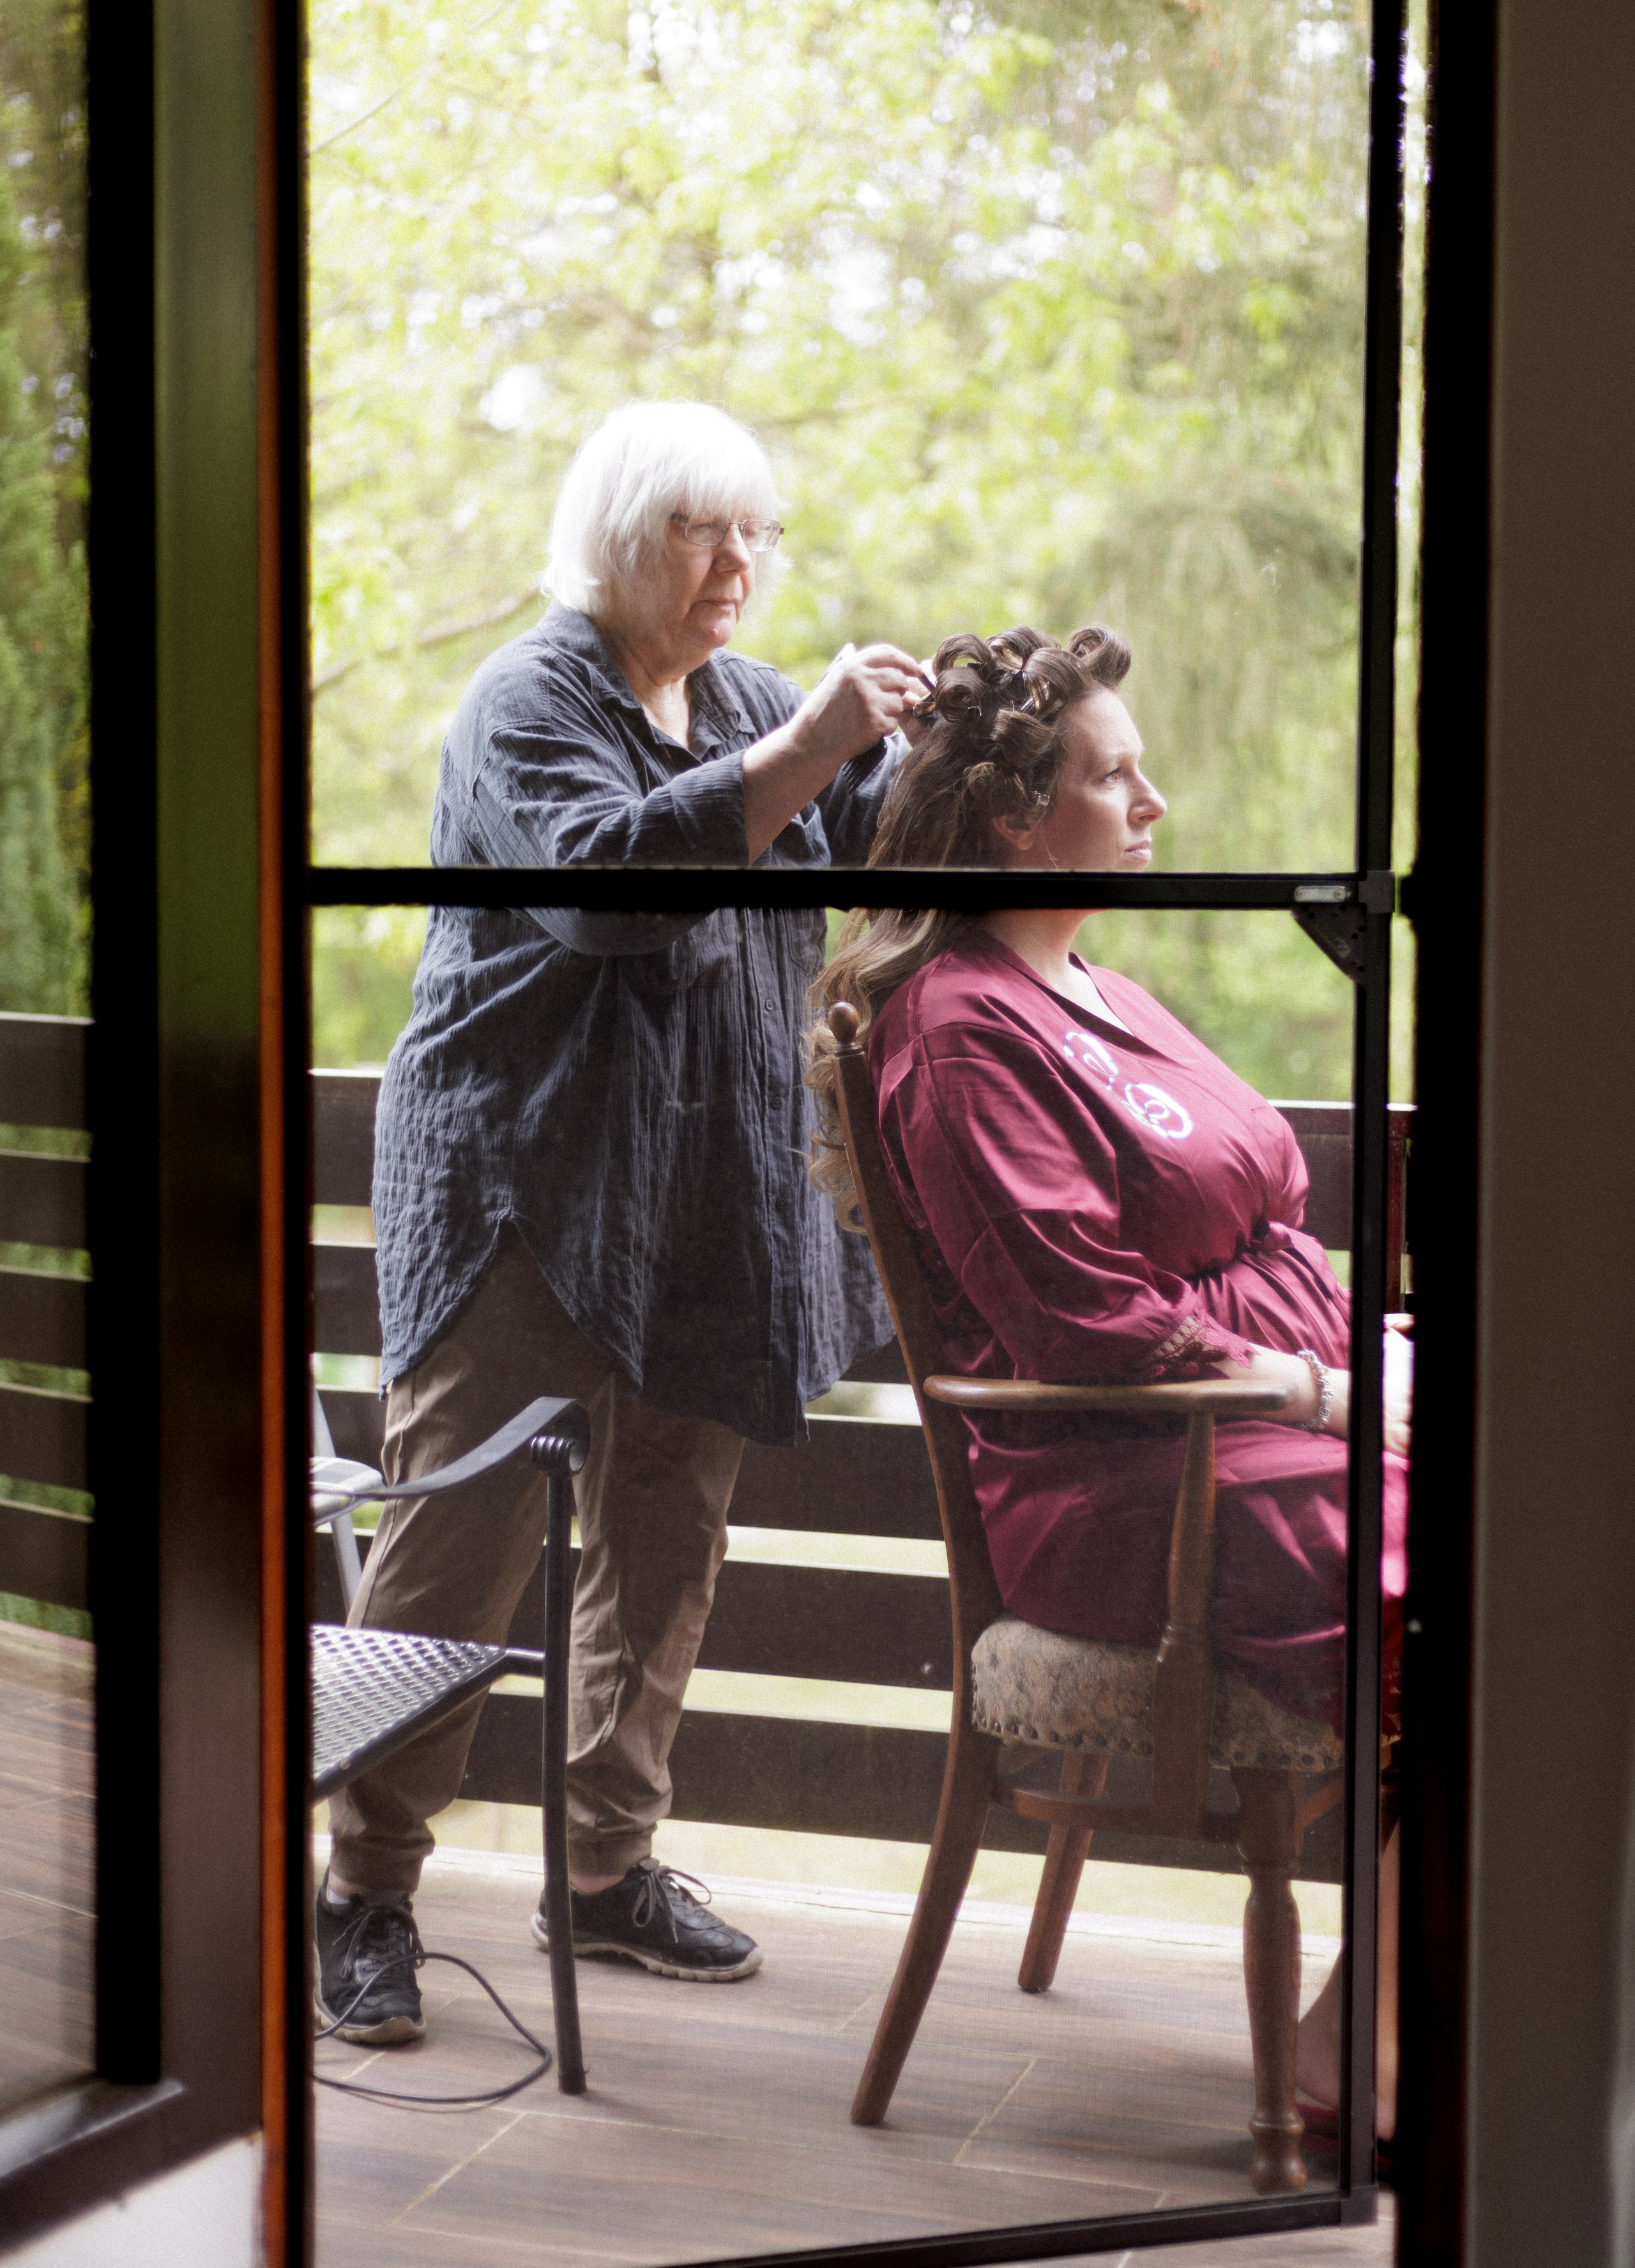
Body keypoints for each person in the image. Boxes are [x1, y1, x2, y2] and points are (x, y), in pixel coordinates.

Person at [317, 400, 929, 2043]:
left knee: (665, 1543)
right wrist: (810, 744)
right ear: (618, 536)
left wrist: (944, 756)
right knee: (457, 1552)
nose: (736, 564)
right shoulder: (530, 698)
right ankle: (366, 1892)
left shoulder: (739, 700)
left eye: (755, 532)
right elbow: (604, 887)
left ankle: (603, 1868)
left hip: (709, 1203)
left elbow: (875, 865)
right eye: (697, 530)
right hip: (526, 1186)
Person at [806, 622, 1410, 2139]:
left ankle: (1406, 2000)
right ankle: (1369, 2042)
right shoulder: (955, 1033)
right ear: (1011, 817)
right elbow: (1081, 1323)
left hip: (1241, 1428)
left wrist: (1366, 1348)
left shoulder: (1102, 987)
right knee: (1516, 1581)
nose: (1151, 806)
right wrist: (1334, 1396)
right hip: (1128, 1480)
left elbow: (1248, 1228)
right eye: (1113, 776)